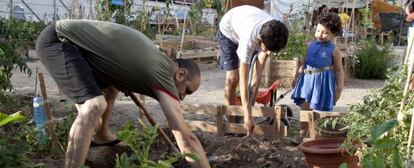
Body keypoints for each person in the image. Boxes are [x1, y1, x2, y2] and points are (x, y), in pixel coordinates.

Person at [35, 19, 210, 168]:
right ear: (180, 74)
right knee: (93, 105)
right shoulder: (164, 75)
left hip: (83, 51)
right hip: (60, 41)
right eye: (186, 90)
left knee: (112, 88)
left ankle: (101, 135)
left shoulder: (159, 62)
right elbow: (187, 140)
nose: (182, 97)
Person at [217, 5, 288, 135]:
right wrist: (247, 116)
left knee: (254, 84)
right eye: (266, 48)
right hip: (228, 31)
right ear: (260, 40)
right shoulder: (248, 39)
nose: (267, 51)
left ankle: (247, 117)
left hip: (247, 22)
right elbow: (243, 82)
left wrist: (254, 87)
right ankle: (230, 119)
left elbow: (260, 66)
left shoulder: (274, 31)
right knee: (233, 78)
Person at [291, 12, 345, 138]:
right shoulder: (311, 45)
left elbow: (339, 71)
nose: (320, 35)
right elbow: (304, 62)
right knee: (305, 108)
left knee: (318, 111)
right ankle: (302, 135)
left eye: (325, 32)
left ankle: (317, 137)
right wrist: (297, 77)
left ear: (334, 34)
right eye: (318, 30)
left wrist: (339, 89)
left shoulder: (334, 50)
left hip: (321, 84)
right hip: (307, 81)